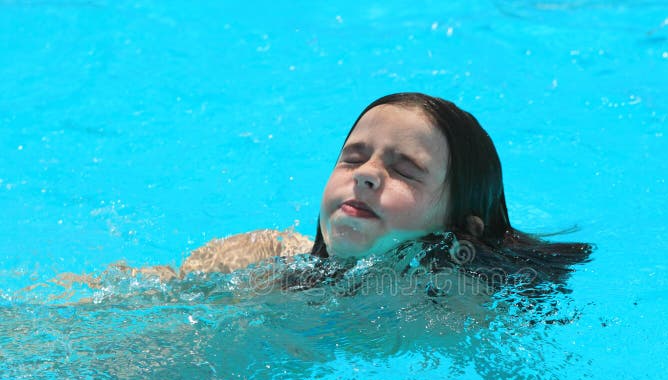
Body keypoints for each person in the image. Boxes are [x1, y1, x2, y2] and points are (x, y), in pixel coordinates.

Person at [137, 93, 592, 290]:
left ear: (461, 226)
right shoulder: (254, 255)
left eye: (406, 170)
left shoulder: (460, 308)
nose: (366, 175)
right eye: (353, 158)